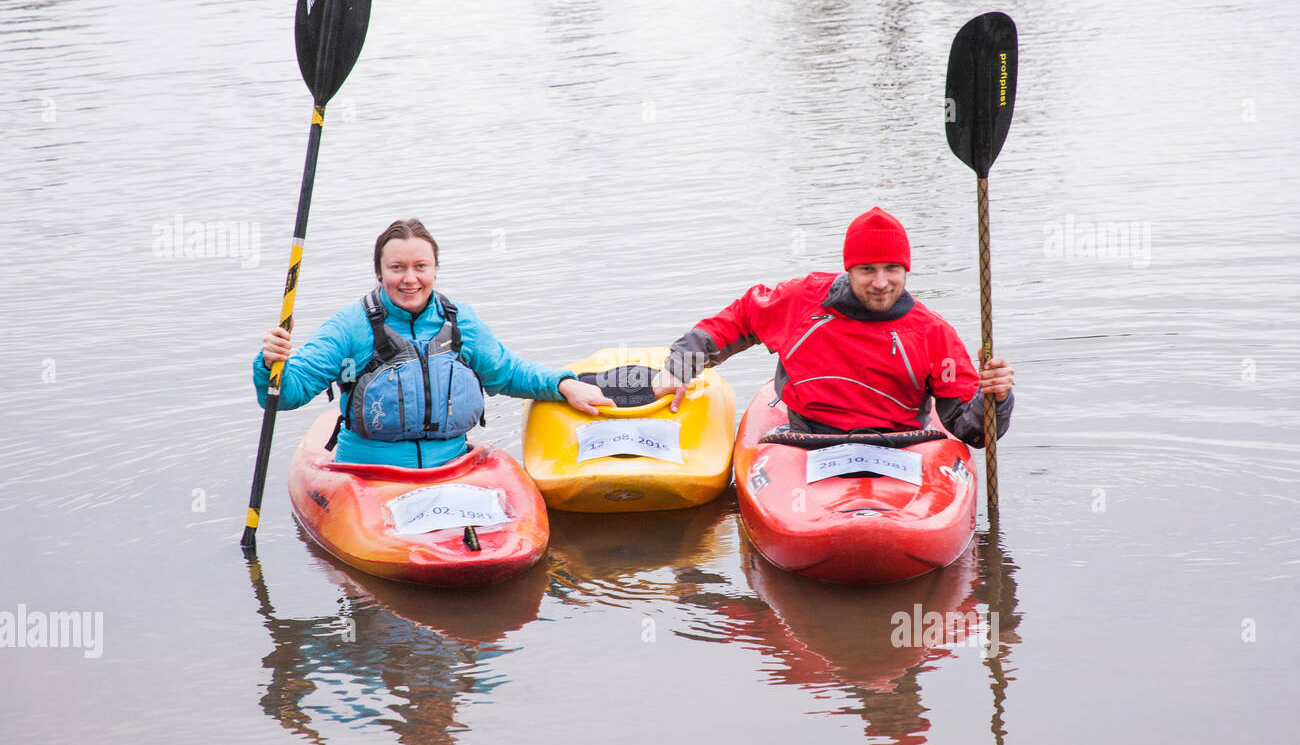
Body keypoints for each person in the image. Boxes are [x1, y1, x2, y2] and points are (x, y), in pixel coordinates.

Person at [255, 218, 612, 469]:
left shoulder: (460, 322)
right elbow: (287, 394)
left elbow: (507, 372)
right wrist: (271, 363)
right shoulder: (350, 327)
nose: (410, 279)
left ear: (435, 270)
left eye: (420, 266)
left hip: (453, 464)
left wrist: (563, 384)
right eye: (397, 268)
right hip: (369, 473)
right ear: (380, 273)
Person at [650, 207, 1014, 446]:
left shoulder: (933, 333)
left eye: (892, 269)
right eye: (867, 270)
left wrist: (995, 399)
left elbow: (971, 431)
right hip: (807, 438)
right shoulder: (803, 300)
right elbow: (740, 318)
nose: (881, 282)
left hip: (900, 443)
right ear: (849, 269)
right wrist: (681, 366)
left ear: (906, 270)